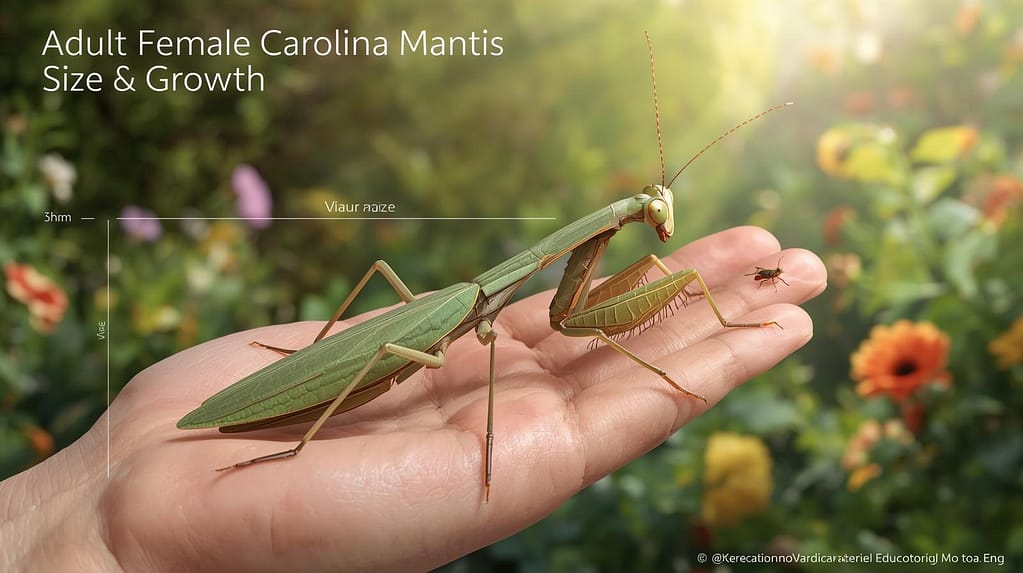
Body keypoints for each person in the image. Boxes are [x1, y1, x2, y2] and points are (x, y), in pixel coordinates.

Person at [2, 226, 826, 572]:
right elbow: (567, 326)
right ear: (614, 223)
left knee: (417, 304)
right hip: (401, 338)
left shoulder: (542, 282)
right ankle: (293, 433)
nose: (654, 226)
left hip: (436, 317)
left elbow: (571, 316)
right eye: (645, 213)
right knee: (415, 326)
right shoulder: (501, 306)